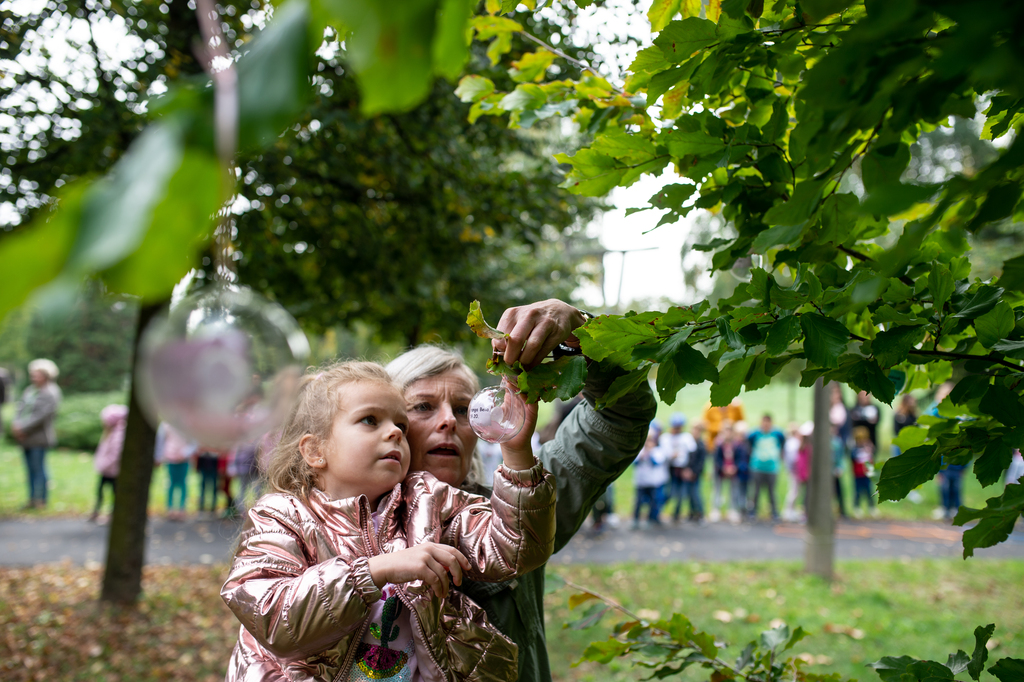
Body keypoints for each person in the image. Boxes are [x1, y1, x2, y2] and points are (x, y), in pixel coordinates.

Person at [221, 361, 556, 682]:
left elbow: (515, 548)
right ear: (314, 450)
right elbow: (273, 619)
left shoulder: (426, 501)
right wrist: (374, 571)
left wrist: (516, 452)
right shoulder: (280, 516)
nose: (395, 432)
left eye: (401, 425)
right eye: (370, 420)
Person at [385, 299, 655, 682]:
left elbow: (619, 416)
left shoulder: (518, 508)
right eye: (423, 407)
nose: (448, 421)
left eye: (464, 410)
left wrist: (581, 336)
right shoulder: (331, 519)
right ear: (387, 422)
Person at [12, 359, 62, 510]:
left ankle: (41, 500)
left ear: (46, 375)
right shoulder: (30, 390)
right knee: (29, 470)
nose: (33, 378)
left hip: (39, 437)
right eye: (32, 375)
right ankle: (32, 498)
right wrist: (16, 425)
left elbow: (42, 416)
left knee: (39, 468)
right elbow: (20, 408)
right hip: (25, 437)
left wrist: (23, 428)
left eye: (37, 375)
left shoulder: (52, 392)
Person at [89, 404, 128, 523]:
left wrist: (104, 464)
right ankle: (97, 511)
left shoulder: (118, 434)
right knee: (101, 490)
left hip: (112, 470)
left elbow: (115, 454)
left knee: (114, 492)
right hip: (107, 469)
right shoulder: (111, 432)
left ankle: (113, 513)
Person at [747, 413, 785, 522]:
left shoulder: (777, 434)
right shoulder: (755, 434)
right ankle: (753, 511)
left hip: (772, 468)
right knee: (755, 491)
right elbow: (748, 442)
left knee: (772, 492)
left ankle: (774, 512)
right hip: (757, 467)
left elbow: (783, 442)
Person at [154, 422, 195, 521]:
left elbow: (194, 441)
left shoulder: (187, 422)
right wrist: (158, 456)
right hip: (171, 458)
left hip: (184, 459)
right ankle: (170, 508)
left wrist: (185, 453)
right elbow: (160, 441)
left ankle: (181, 509)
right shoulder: (165, 425)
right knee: (171, 483)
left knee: (182, 483)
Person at [660, 413, 695, 523]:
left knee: (681, 494)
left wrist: (688, 468)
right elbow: (663, 454)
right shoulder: (665, 438)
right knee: (669, 492)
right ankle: (657, 511)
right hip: (670, 468)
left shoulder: (686, 437)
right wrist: (671, 455)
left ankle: (676, 514)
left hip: (682, 468)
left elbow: (692, 453)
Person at [633, 429, 669, 528]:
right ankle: (635, 520)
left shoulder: (658, 451)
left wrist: (649, 453)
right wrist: (643, 454)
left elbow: (656, 463)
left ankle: (651, 519)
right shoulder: (640, 451)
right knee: (638, 502)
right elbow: (635, 463)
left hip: (653, 482)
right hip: (641, 482)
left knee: (653, 502)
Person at [680, 420, 707, 523]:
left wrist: (693, 472)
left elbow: (701, 462)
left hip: (695, 474)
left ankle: (700, 514)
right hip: (687, 472)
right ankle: (691, 513)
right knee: (689, 494)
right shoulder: (688, 442)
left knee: (696, 494)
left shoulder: (701, 445)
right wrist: (685, 470)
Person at [850, 426, 877, 517]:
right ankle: (857, 508)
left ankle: (871, 508)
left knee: (869, 491)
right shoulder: (854, 449)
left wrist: (869, 449)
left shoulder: (869, 447)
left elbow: (872, 457)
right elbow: (852, 458)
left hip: (867, 473)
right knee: (857, 492)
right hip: (858, 474)